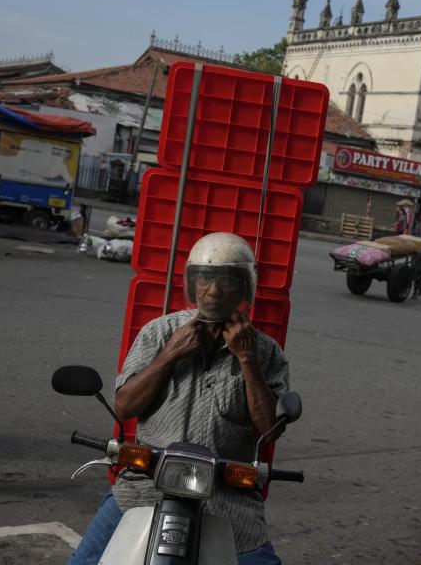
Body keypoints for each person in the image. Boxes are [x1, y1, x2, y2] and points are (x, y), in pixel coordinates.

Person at [68, 232, 290, 565]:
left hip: (227, 497)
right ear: (192, 284)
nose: (213, 291)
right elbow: (125, 406)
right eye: (204, 279)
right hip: (145, 486)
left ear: (244, 288)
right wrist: (169, 355)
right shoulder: (158, 333)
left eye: (226, 280)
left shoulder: (265, 351)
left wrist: (247, 359)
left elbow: (269, 426)